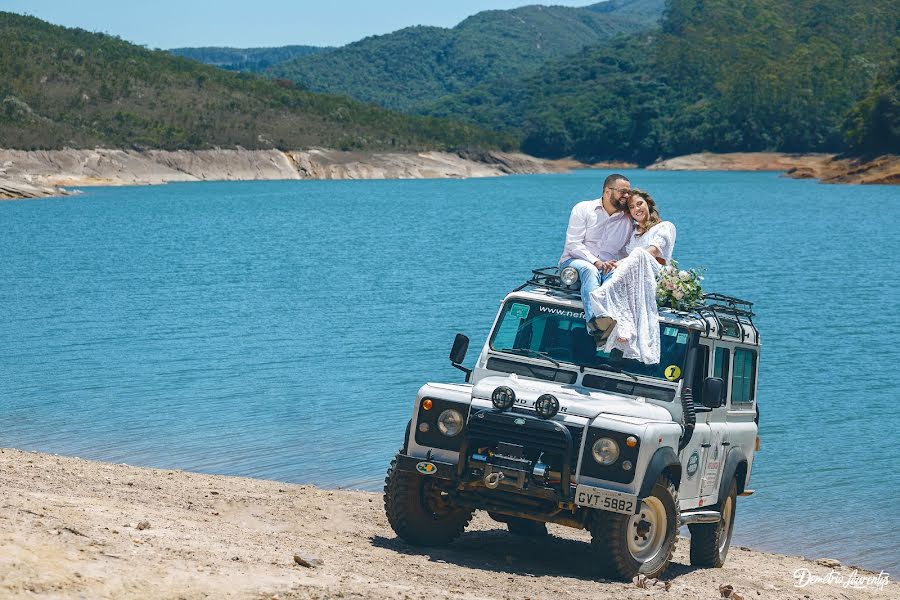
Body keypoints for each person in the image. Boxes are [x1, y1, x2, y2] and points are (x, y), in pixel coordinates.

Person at [588, 189, 676, 364]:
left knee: (637, 254)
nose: (637, 209)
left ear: (648, 204)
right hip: (633, 277)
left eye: (640, 203)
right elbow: (621, 254)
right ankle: (622, 327)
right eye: (632, 207)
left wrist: (622, 263)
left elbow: (653, 251)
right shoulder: (633, 233)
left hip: (653, 272)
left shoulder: (665, 227)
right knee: (620, 261)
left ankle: (602, 295)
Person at [558, 174, 634, 337]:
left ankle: (622, 331)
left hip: (606, 268)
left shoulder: (627, 221)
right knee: (589, 270)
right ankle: (597, 326)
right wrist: (596, 262)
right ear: (607, 191)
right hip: (575, 263)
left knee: (620, 278)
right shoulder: (583, 208)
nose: (627, 196)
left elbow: (624, 252)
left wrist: (620, 266)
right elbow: (573, 244)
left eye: (629, 192)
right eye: (623, 192)